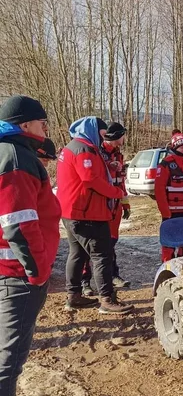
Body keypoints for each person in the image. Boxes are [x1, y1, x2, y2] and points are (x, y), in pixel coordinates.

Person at [0, 95, 61, 396]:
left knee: (8, 349)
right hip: (17, 275)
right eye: (41, 124)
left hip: (10, 270)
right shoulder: (17, 157)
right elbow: (20, 222)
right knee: (9, 355)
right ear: (25, 125)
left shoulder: (11, 152)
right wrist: (37, 271)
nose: (45, 130)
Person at [56, 117, 133, 315]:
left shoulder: (75, 147)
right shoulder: (84, 150)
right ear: (93, 130)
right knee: (102, 255)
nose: (104, 135)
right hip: (86, 213)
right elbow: (90, 179)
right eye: (102, 131)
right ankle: (107, 300)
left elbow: (91, 173)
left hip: (72, 212)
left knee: (78, 253)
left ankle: (74, 296)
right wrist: (116, 192)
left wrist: (110, 168)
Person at [81, 122, 130, 294]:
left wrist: (125, 203)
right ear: (116, 136)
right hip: (100, 205)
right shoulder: (97, 153)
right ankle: (85, 281)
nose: (125, 138)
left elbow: (121, 181)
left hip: (114, 206)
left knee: (111, 242)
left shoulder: (118, 154)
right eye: (123, 135)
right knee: (92, 245)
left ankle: (113, 275)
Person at [155, 131, 183, 261]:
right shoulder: (166, 164)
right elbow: (159, 190)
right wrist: (165, 211)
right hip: (171, 211)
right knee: (169, 240)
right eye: (182, 147)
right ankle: (167, 263)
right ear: (175, 147)